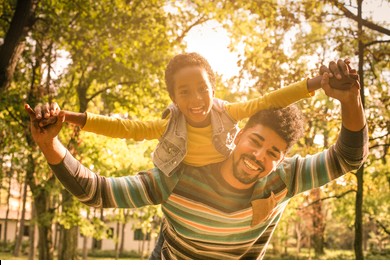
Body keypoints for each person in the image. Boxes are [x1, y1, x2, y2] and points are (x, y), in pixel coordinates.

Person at [26, 60, 368, 260]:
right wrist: (50, 144)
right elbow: (98, 191)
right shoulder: (175, 177)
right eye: (256, 142)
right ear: (237, 135)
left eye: (274, 153)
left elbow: (348, 158)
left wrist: (349, 100)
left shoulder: (285, 178)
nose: (259, 157)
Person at [31, 53, 357, 178]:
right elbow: (124, 128)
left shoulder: (228, 112)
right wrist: (67, 116)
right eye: (184, 92)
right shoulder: (168, 124)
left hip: (222, 178)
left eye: (202, 88)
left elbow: (272, 98)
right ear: (174, 98)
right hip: (180, 179)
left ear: (213, 87)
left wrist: (319, 82)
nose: (196, 99)